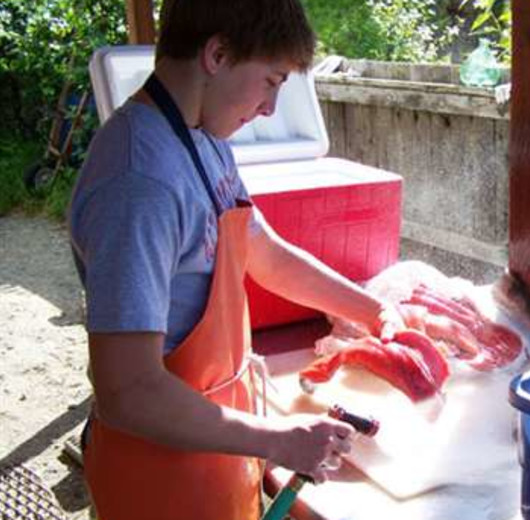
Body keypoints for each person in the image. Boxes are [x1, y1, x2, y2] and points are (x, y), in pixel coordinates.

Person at [68, 1, 404, 519]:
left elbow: (263, 254)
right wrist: (278, 438)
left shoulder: (203, 138)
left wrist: (369, 310)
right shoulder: (139, 182)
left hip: (213, 456)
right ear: (217, 54)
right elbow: (127, 390)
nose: (271, 108)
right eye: (271, 81)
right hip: (157, 483)